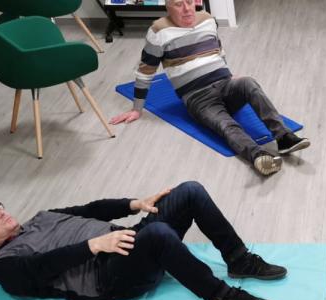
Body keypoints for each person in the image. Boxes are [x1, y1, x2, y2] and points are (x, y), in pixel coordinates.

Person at [0, 181, 284, 300]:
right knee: (156, 234)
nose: (0, 212)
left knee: (189, 191)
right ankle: (221, 296)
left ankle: (239, 260)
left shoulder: (41, 217)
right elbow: (38, 269)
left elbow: (91, 209)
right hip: (108, 277)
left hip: (126, 243)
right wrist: (93, 246)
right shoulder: (3, 264)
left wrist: (135, 203)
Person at [109, 0, 309, 176]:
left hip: (225, 83)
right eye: (179, 4)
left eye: (189, 2)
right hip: (198, 97)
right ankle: (258, 156)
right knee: (226, 125)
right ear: (168, 6)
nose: (187, 9)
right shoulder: (158, 32)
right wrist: (137, 109)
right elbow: (146, 71)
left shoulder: (207, 19)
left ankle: (284, 137)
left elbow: (218, 50)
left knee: (248, 82)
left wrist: (229, 76)